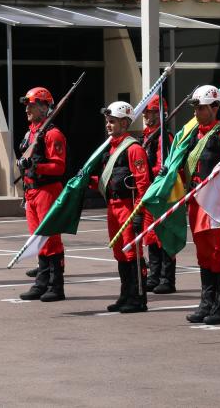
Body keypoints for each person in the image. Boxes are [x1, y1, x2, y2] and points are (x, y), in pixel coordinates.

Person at [182, 85, 220, 326]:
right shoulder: (194, 135)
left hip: (216, 204)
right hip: (197, 203)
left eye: (201, 107)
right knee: (203, 255)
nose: (196, 111)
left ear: (215, 108)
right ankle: (206, 302)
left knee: (218, 255)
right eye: (195, 107)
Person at [93, 101, 150, 313]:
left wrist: (138, 214)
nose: (108, 125)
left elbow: (143, 184)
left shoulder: (133, 149)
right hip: (113, 206)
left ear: (125, 123)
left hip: (128, 206)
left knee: (131, 253)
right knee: (119, 253)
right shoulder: (111, 148)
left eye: (113, 121)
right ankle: (125, 294)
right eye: (108, 121)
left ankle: (138, 297)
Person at [16, 87, 67, 302]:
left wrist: (37, 166)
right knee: (37, 239)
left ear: (45, 107)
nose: (27, 108)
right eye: (27, 104)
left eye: (32, 104)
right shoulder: (31, 132)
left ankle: (56, 286)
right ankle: (41, 282)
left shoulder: (52, 134)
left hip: (47, 190)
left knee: (51, 238)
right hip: (31, 191)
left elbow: (59, 166)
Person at [141, 95, 177, 295]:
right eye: (146, 112)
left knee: (163, 237)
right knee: (151, 237)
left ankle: (167, 279)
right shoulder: (147, 136)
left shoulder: (164, 136)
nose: (147, 115)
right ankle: (154, 276)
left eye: (151, 112)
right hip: (149, 194)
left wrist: (149, 175)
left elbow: (164, 167)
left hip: (161, 193)